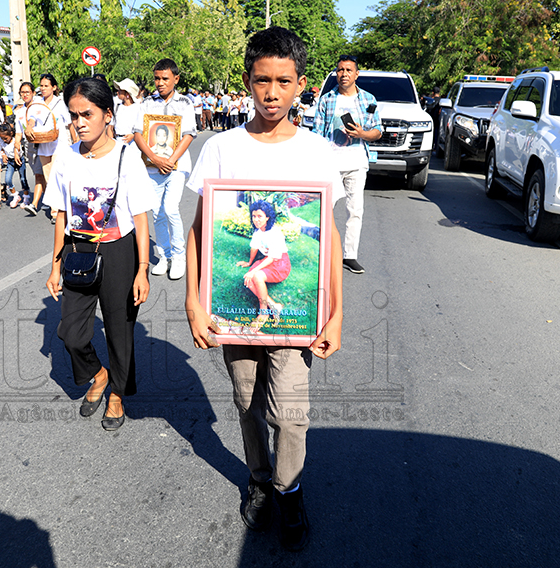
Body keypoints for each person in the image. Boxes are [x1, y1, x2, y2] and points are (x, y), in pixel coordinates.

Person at [185, 26, 344, 551]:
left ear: (301, 85)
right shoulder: (222, 148)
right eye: (261, 80)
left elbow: (330, 238)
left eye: (283, 81)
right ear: (248, 81)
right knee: (246, 400)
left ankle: (289, 488)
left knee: (292, 413)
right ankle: (258, 479)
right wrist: (193, 299)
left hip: (299, 324)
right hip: (232, 317)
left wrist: (337, 311)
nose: (271, 92)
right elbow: (200, 228)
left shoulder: (319, 152)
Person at [43, 78, 156, 431]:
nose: (79, 122)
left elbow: (140, 218)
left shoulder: (127, 157)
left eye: (87, 114)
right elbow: (61, 213)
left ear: (108, 114)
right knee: (70, 333)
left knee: (120, 331)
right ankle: (99, 373)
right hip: (79, 250)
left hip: (119, 251)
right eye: (74, 115)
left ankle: (118, 393)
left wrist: (142, 270)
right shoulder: (66, 158)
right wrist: (55, 265)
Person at [313, 54, 382, 275]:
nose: (344, 74)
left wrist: (362, 133)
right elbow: (317, 133)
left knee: (355, 211)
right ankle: (320, 253)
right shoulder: (326, 99)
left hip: (357, 162)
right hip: (330, 164)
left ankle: (349, 256)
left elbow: (378, 131)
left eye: (348, 70)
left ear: (356, 74)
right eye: (340, 70)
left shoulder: (368, 99)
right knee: (325, 210)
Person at [133, 58, 197, 280]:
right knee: (157, 212)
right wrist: (153, 158)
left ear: (176, 79)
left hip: (176, 166)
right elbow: (138, 133)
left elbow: (188, 134)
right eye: (157, 78)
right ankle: (164, 256)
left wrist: (170, 160)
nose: (160, 83)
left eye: (165, 78)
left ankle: (179, 256)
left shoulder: (185, 103)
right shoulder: (147, 103)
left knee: (170, 209)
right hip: (152, 167)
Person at [22, 73, 75, 223]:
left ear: (54, 87)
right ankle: (55, 211)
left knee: (60, 176)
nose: (43, 88)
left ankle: (62, 209)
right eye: (42, 85)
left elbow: (70, 124)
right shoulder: (37, 104)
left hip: (60, 144)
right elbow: (31, 120)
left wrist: (75, 141)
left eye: (46, 86)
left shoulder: (61, 103)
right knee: (49, 178)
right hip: (44, 145)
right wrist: (29, 128)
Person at [236, 200, 290, 329]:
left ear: (267, 217)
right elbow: (254, 247)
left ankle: (263, 312)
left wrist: (253, 271)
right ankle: (274, 305)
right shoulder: (258, 231)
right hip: (267, 261)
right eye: (254, 216)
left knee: (256, 276)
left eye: (260, 216)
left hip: (280, 264)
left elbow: (272, 258)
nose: (256, 219)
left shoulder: (275, 233)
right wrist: (249, 263)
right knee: (248, 280)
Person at [12, 81, 37, 206]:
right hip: (29, 146)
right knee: (37, 173)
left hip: (44, 143)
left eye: (28, 92)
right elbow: (18, 134)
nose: (25, 95)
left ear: (33, 93)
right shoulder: (20, 112)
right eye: (22, 92)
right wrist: (16, 151)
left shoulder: (39, 107)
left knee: (45, 173)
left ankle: (45, 204)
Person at [0, 122, 23, 208]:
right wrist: (3, 155)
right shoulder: (1, 141)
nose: (4, 140)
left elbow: (18, 148)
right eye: (2, 138)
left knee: (23, 179)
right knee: (7, 180)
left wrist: (17, 153)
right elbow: (1, 148)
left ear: (11, 134)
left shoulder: (16, 140)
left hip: (19, 160)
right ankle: (15, 196)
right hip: (10, 162)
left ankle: (26, 198)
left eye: (6, 138)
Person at [113, 78, 141, 143]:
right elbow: (111, 126)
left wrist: (133, 135)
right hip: (118, 140)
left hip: (133, 142)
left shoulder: (138, 108)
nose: (118, 92)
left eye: (120, 90)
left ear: (127, 93)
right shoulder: (117, 106)